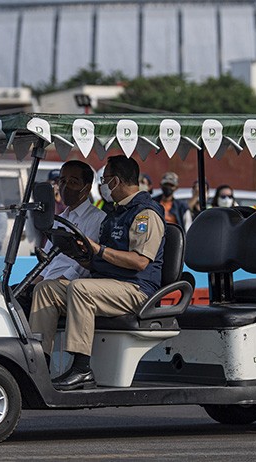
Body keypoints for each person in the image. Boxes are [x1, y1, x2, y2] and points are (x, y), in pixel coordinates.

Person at [30, 156, 165, 391]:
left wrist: (98, 249)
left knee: (81, 288)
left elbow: (140, 261)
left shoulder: (144, 214)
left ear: (115, 181)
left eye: (104, 180)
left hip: (135, 289)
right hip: (108, 284)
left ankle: (82, 368)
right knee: (46, 289)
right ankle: (39, 364)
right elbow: (100, 259)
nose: (102, 185)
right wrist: (80, 254)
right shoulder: (116, 213)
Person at [16, 160, 106, 310]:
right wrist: (28, 285)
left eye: (73, 182)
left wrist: (48, 285)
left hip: (70, 287)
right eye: (63, 181)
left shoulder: (97, 219)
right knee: (10, 294)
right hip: (49, 283)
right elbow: (47, 262)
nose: (66, 186)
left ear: (87, 187)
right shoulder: (61, 219)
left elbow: (83, 265)